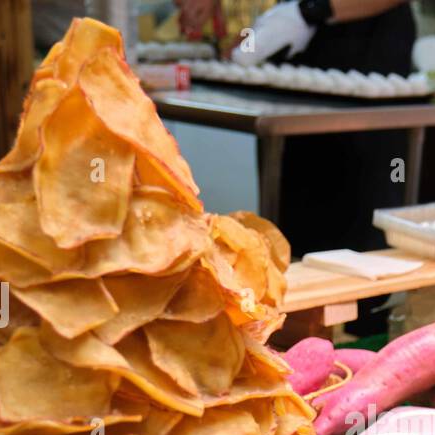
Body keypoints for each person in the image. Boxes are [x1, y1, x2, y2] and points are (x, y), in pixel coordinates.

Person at [176, 0, 416, 267]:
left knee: (361, 236)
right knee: (296, 229)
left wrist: (314, 10)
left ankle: (367, 305)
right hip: (300, 53)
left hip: (368, 52)